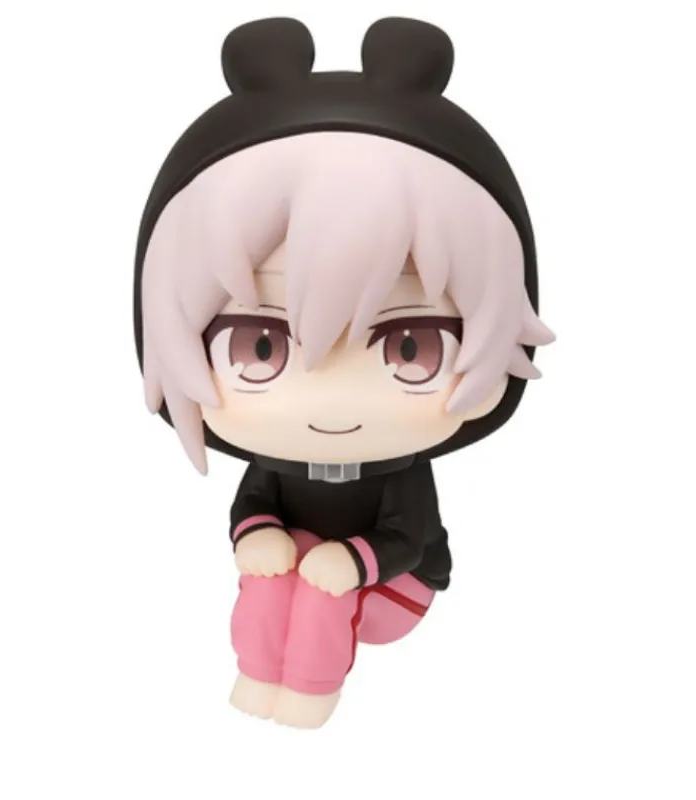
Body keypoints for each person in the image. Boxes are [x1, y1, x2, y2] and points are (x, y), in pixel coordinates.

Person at [133, 17, 554, 728]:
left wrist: (353, 563)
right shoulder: (274, 460)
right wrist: (257, 537)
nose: (330, 398)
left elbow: (409, 538)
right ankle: (259, 675)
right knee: (273, 579)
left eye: (410, 348)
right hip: (302, 574)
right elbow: (252, 507)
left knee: (317, 589)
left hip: (394, 585)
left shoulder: (399, 470)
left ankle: (309, 691)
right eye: (260, 346)